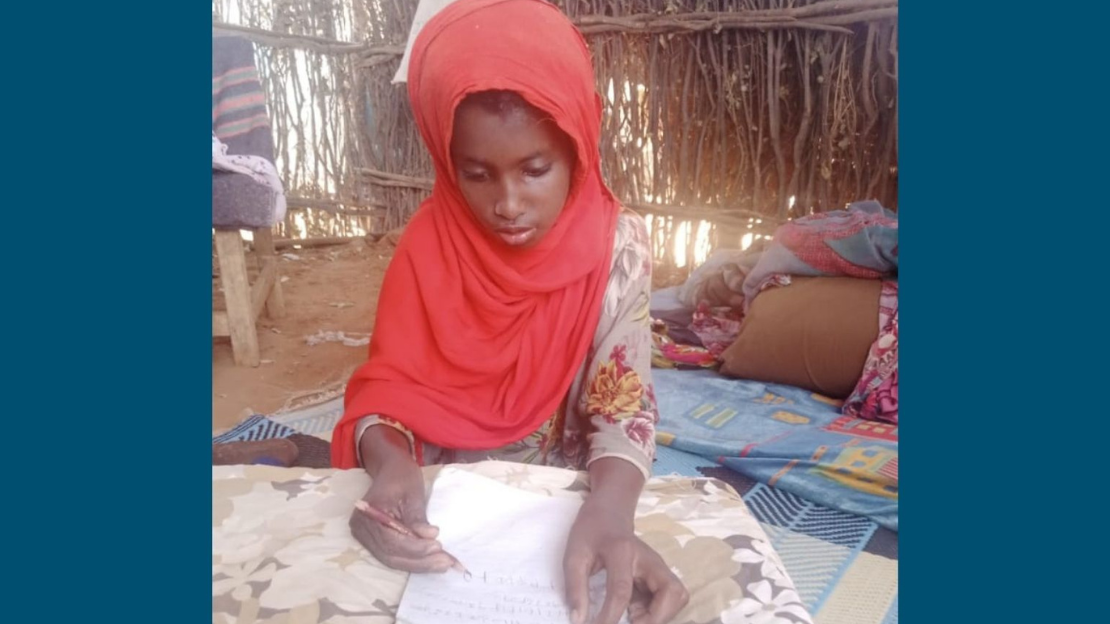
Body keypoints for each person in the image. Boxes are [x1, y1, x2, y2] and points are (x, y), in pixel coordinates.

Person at [330, 1, 689, 622]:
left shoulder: (616, 248)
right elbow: (387, 395)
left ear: (578, 147)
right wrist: (391, 466)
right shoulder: (429, 245)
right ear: (448, 165)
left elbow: (622, 403)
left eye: (535, 170)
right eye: (476, 174)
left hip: (568, 499)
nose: (508, 203)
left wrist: (610, 510)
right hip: (441, 504)